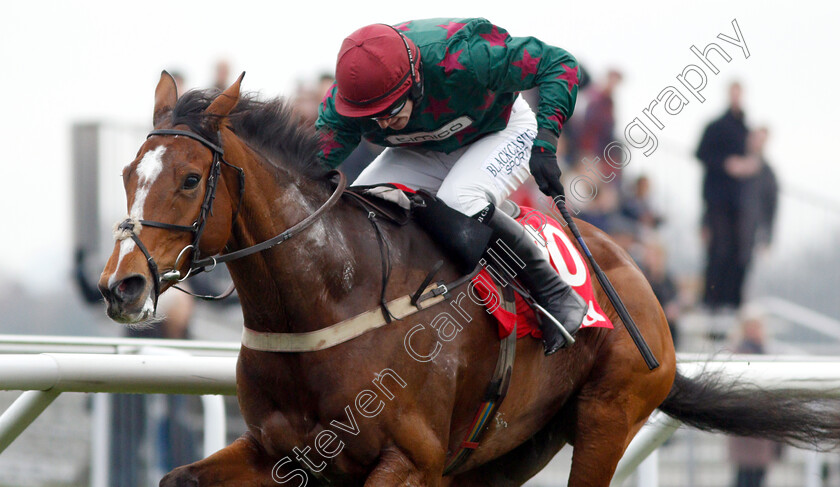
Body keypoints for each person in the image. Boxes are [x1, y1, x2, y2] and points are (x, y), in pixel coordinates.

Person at [316, 18, 587, 354]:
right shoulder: (345, 103)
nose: (383, 122)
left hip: (499, 130)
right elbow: (314, 164)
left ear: (414, 81)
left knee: (459, 199)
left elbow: (558, 64)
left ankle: (555, 293)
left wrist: (546, 140)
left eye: (390, 109)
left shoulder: (465, 56)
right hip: (424, 147)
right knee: (361, 207)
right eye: (373, 115)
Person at [696, 82, 752, 312]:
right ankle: (711, 300)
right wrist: (726, 164)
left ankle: (732, 301)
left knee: (738, 251)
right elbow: (700, 153)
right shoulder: (716, 126)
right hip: (717, 199)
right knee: (718, 249)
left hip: (738, 202)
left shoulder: (746, 130)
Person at [728, 309, 782, 487]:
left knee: (755, 477)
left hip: (761, 430)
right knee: (745, 478)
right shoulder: (739, 354)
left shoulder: (765, 353)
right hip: (747, 428)